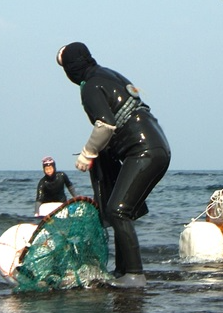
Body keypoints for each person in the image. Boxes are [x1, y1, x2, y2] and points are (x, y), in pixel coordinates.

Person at [57, 42, 171, 288]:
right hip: (156, 145)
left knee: (118, 210)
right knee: (120, 209)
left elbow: (105, 125)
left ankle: (134, 275)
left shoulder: (90, 86)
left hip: (143, 151)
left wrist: (87, 153)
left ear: (72, 68)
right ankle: (121, 270)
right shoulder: (108, 73)